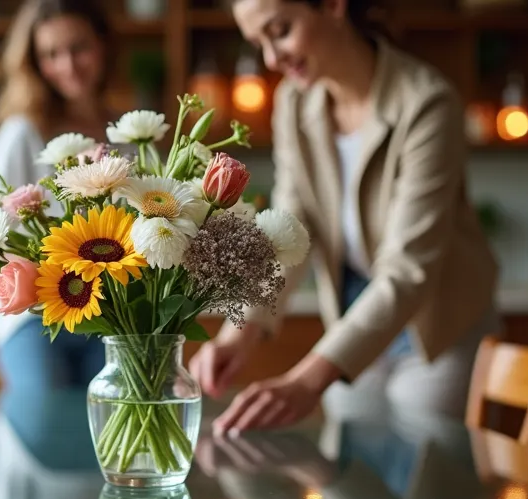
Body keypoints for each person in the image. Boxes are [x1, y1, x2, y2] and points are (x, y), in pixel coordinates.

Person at [190, 0, 500, 433]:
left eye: (279, 30)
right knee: (353, 481)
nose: (271, 59)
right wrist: (236, 332)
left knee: (431, 480)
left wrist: (303, 380)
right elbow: (287, 230)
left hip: (435, 334)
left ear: (334, 5)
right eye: (258, 42)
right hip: (352, 320)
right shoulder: (295, 104)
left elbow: (409, 268)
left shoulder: (427, 103)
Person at [0, 2, 154, 499]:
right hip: (33, 325)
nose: (66, 65)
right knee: (32, 477)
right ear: (34, 63)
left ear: (102, 46)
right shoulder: (23, 133)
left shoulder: (125, 133)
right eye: (50, 54)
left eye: (77, 47)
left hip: (105, 318)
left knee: (115, 462)